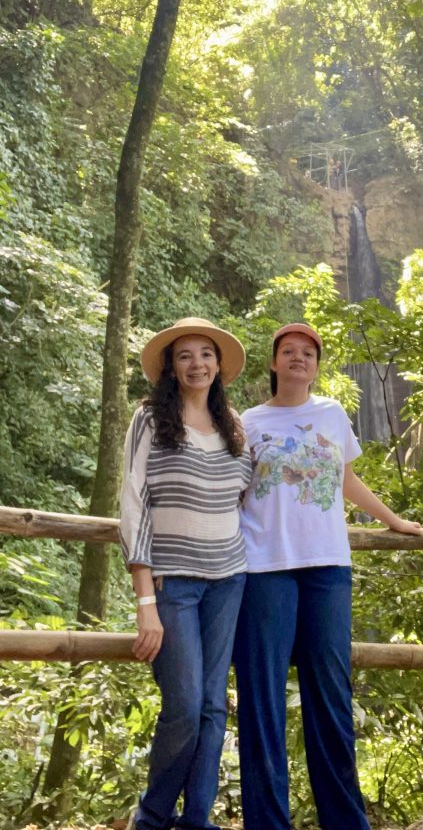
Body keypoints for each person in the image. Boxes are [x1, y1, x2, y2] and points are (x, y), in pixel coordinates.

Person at [233, 322, 422, 830]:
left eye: (308, 353)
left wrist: (394, 521)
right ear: (272, 363)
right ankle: (267, 823)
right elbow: (230, 491)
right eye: (288, 351)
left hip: (327, 568)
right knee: (262, 695)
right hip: (263, 567)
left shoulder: (333, 415)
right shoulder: (246, 422)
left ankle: (345, 822)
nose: (299, 358)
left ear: (317, 366)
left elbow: (347, 479)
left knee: (331, 696)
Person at [119, 317, 251, 830]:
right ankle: (152, 816)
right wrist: (145, 602)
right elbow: (134, 508)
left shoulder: (233, 427)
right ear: (171, 369)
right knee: (184, 705)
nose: (197, 363)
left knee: (214, 707)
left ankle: (197, 819)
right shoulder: (150, 419)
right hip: (173, 585)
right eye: (185, 356)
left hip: (230, 580)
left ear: (219, 366)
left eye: (206, 354)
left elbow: (245, 500)